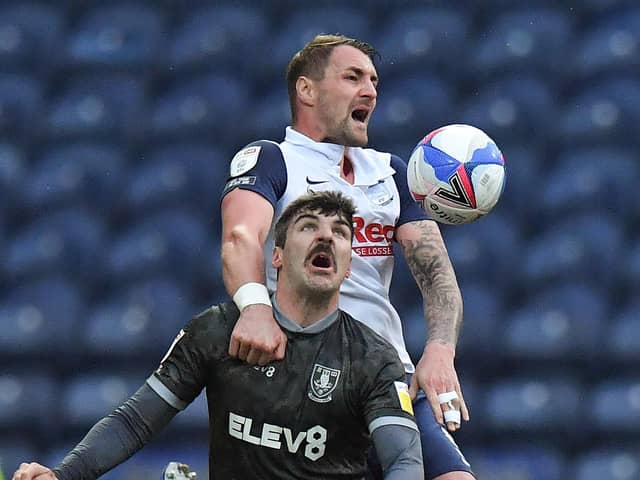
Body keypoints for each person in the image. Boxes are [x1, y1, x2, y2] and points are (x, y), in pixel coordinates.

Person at [12, 191, 423, 480]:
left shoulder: (373, 357)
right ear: (275, 256)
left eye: (340, 232)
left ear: (348, 266)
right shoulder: (216, 330)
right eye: (309, 226)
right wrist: (62, 475)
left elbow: (403, 460)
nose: (326, 236)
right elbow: (136, 421)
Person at [220, 34, 475, 480]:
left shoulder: (393, 172)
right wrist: (255, 309)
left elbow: (437, 275)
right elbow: (240, 237)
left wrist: (440, 350)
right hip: (305, 382)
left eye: (374, 80)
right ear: (307, 90)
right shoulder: (272, 160)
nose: (371, 91)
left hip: (388, 375)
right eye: (353, 77)